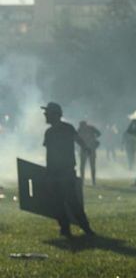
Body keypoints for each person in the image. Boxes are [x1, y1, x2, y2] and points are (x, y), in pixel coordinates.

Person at [41, 102, 95, 238]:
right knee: (62, 202)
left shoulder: (57, 131)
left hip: (63, 172)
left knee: (69, 202)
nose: (45, 115)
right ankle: (68, 229)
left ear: (55, 115)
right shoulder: (59, 130)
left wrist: (86, 148)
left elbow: (78, 141)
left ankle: (82, 228)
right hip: (60, 172)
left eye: (47, 113)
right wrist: (86, 148)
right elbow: (79, 142)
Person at [77, 120, 101, 186]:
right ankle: (89, 181)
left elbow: (99, 133)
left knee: (86, 166)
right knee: (86, 166)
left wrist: (93, 139)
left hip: (88, 149)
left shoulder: (89, 128)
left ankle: (91, 181)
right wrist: (94, 139)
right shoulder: (89, 128)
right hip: (87, 148)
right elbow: (99, 133)